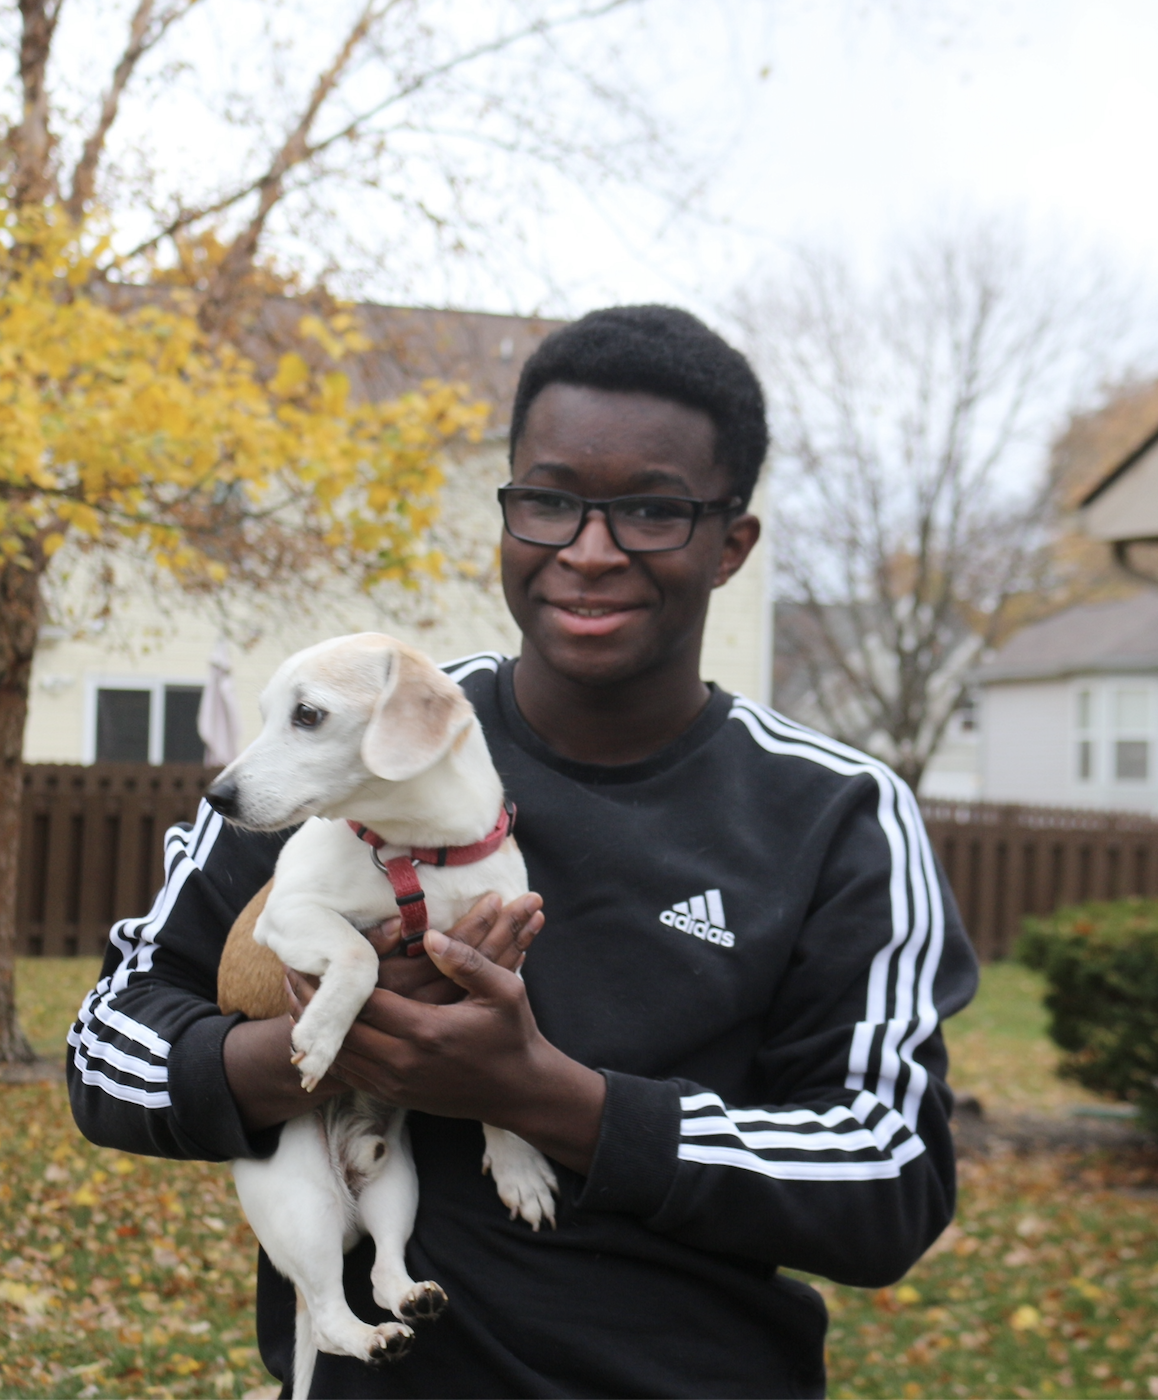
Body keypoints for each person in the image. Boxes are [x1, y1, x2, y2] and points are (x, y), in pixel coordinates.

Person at [69, 304, 979, 1399]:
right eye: (548, 500)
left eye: (651, 509)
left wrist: (553, 1097)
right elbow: (106, 1045)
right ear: (506, 515)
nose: (589, 552)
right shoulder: (339, 733)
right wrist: (329, 1043)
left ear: (731, 542)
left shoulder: (835, 812)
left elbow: (891, 1178)